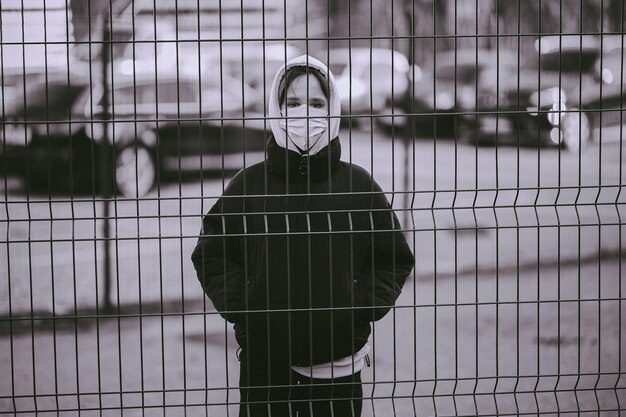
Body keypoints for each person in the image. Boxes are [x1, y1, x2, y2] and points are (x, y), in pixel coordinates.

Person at [191, 54, 414, 417]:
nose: (304, 113)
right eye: (292, 103)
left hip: (338, 368)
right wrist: (243, 308)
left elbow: (393, 258)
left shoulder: (358, 187)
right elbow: (211, 252)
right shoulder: (249, 185)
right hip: (264, 369)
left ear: (333, 109)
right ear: (276, 109)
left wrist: (358, 309)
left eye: (316, 102)